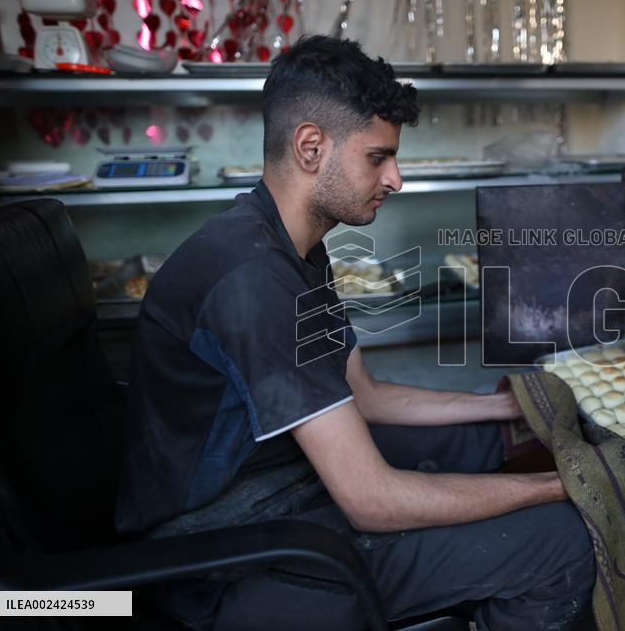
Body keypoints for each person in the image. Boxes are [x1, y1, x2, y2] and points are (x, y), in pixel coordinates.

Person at [116, 35, 595, 631]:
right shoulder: (253, 279)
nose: (396, 178)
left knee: (489, 442)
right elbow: (371, 501)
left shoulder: (290, 248)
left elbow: (364, 396)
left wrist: (495, 406)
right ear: (311, 146)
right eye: (378, 157)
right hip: (228, 560)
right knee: (564, 541)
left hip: (276, 491)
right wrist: (560, 488)